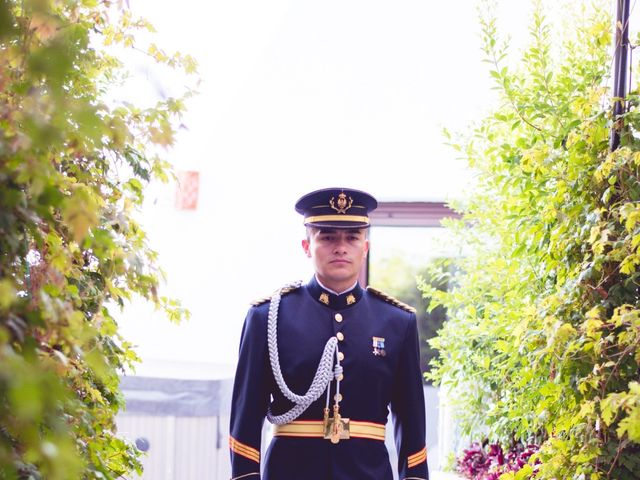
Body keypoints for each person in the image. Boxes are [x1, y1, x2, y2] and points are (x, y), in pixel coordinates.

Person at [228, 187, 429, 480]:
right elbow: (245, 421)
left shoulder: (397, 322)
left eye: (352, 237)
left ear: (366, 247)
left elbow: (411, 423)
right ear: (306, 246)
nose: (341, 247)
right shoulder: (267, 317)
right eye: (327, 237)